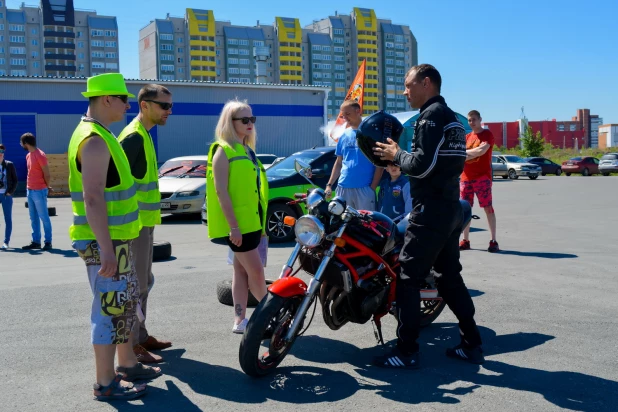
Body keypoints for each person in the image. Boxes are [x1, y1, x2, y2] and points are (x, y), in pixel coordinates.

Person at [372, 64, 484, 369]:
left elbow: (421, 165)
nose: (405, 91)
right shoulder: (455, 121)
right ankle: (471, 343)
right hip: (448, 208)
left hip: (431, 211)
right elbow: (442, 164)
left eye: (408, 85)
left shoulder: (432, 116)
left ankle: (406, 352)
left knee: (407, 279)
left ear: (426, 82)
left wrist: (396, 155)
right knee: (449, 278)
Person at [69, 73, 161, 401]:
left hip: (118, 240)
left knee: (122, 306)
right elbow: (92, 197)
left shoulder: (102, 135)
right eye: (123, 99)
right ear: (107, 99)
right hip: (105, 244)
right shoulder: (93, 138)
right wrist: (106, 250)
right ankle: (105, 383)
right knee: (109, 310)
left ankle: (127, 364)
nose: (127, 104)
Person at [118, 84, 173, 364]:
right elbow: (112, 187)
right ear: (145, 105)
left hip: (144, 224)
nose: (169, 111)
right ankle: (132, 347)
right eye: (164, 106)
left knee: (144, 282)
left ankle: (140, 336)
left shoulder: (144, 135)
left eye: (170, 106)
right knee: (135, 285)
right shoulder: (134, 138)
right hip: (134, 226)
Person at [206, 99, 269, 334]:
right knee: (257, 273)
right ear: (230, 122)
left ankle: (240, 321)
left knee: (241, 272)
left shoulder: (247, 150)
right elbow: (220, 190)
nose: (250, 123)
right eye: (244, 119)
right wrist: (233, 227)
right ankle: (268, 319)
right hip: (239, 226)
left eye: (252, 118)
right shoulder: (223, 150)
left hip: (252, 222)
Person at [325, 101, 383, 209]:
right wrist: (329, 185)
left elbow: (379, 165)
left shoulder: (371, 133)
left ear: (358, 111)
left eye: (348, 114)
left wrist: (372, 188)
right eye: (343, 115)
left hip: (364, 189)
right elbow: (339, 163)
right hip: (342, 188)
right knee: (343, 223)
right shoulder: (344, 135)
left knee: (365, 224)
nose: (345, 118)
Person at [459, 110, 499, 253]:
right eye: (469, 120)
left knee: (488, 207)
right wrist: (468, 154)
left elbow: (481, 151)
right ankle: (465, 240)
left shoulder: (487, 134)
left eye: (474, 119)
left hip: (482, 178)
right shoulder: (466, 137)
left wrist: (465, 155)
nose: (472, 122)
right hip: (465, 178)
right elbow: (461, 156)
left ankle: (493, 240)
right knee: (465, 210)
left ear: (480, 119)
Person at [20, 133, 53, 250]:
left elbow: (47, 174)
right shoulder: (28, 155)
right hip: (29, 190)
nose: (21, 145)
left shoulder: (40, 155)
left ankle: (48, 242)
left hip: (39, 191)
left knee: (44, 217)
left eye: (21, 142)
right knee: (33, 217)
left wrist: (46, 187)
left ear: (26, 143)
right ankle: (36, 241)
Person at [0, 144, 18, 249]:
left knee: (8, 219)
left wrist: (10, 192)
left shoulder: (9, 165)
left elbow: (15, 180)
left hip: (6, 195)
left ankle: (6, 242)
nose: (0, 154)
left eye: (2, 152)